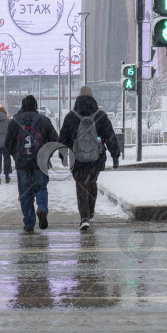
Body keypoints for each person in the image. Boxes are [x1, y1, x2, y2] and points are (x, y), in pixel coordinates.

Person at [59, 85, 121, 231]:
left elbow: (63, 139)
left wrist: (63, 156)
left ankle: (84, 217)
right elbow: (110, 136)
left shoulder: (71, 116)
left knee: (81, 186)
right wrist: (115, 155)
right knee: (91, 183)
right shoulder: (101, 115)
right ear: (93, 98)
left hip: (77, 159)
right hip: (96, 159)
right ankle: (91, 210)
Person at [5, 95, 58, 233]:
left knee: (25, 193)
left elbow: (8, 144)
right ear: (35, 105)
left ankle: (29, 223)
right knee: (41, 188)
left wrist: (16, 156)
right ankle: (41, 208)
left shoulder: (14, 122)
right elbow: (54, 140)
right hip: (40, 163)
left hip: (22, 164)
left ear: (22, 106)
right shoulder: (44, 120)